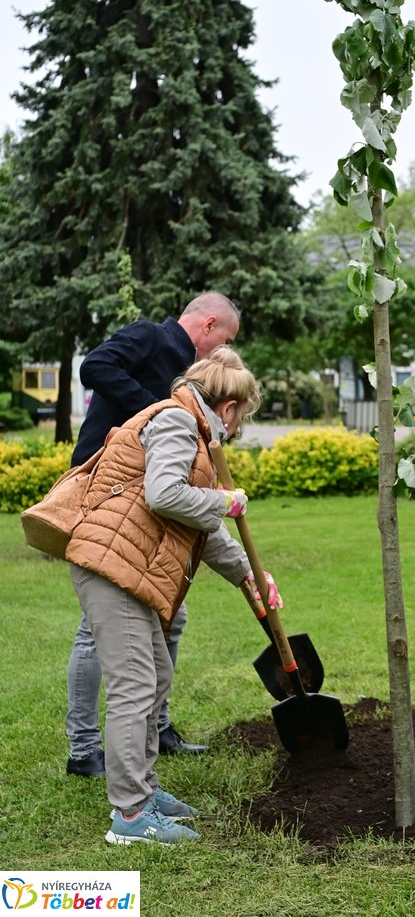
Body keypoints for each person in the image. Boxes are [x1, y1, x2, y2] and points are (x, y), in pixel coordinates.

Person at [65, 345, 281, 844]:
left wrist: (251, 576)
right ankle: (130, 816)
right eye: (240, 418)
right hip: (113, 567)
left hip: (130, 567)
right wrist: (223, 500)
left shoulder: (191, 429)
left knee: (154, 675)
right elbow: (165, 495)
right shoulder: (177, 422)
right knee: (135, 685)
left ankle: (144, 788)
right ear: (229, 407)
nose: (235, 429)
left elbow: (201, 527)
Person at [66, 292, 241, 777]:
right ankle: (83, 749)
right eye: (224, 340)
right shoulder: (151, 337)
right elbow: (94, 366)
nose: (222, 351)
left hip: (145, 504)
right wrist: (157, 411)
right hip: (103, 495)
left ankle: (156, 726)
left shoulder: (189, 375)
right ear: (208, 324)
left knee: (171, 613)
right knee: (94, 629)